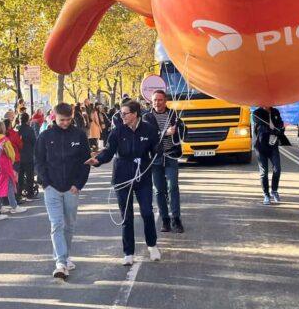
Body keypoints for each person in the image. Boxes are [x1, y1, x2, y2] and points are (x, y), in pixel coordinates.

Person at [86, 100, 162, 265]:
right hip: (122, 176)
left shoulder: (149, 129)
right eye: (121, 113)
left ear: (135, 114)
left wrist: (158, 148)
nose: (122, 116)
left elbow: (156, 149)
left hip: (143, 176)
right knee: (126, 216)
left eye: (125, 113)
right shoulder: (117, 131)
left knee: (147, 212)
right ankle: (128, 252)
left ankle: (152, 245)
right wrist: (97, 160)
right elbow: (108, 151)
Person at [35, 103, 92, 280]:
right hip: (52, 188)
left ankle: (65, 257)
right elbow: (39, 161)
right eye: (62, 120)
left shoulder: (80, 135)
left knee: (69, 225)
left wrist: (79, 184)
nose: (65, 123)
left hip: (72, 188)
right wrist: (45, 183)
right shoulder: (45, 136)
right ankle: (60, 262)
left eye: (68, 119)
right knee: (56, 224)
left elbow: (86, 161)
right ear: (54, 116)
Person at [143, 90, 187, 233]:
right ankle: (165, 220)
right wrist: (165, 133)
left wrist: (180, 127)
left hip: (171, 155)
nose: (157, 102)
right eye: (155, 100)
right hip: (155, 158)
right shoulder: (147, 117)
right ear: (151, 101)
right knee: (159, 190)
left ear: (165, 100)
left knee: (173, 187)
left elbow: (185, 132)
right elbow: (147, 136)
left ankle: (176, 219)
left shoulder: (173, 114)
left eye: (160, 100)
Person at [252, 105, 288, 205]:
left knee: (277, 168)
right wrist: (276, 130)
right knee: (264, 172)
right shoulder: (256, 113)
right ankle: (266, 194)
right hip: (260, 146)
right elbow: (265, 126)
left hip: (273, 145)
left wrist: (280, 129)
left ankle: (274, 191)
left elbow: (280, 124)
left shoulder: (275, 112)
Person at [0, 121, 24, 214]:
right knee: (10, 183)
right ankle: (14, 206)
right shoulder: (4, 139)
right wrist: (13, 160)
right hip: (5, 163)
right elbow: (11, 154)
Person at [17, 112, 38, 199]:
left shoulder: (17, 129)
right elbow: (34, 142)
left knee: (20, 176)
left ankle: (19, 193)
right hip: (28, 155)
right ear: (27, 120)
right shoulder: (30, 130)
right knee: (29, 175)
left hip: (18, 156)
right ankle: (30, 193)